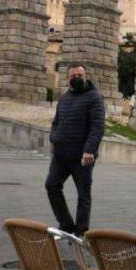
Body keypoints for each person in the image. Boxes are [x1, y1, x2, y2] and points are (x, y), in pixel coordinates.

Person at [45, 63, 105, 236]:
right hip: (61, 155)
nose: (76, 78)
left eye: (79, 75)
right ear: (68, 78)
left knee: (83, 195)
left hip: (82, 156)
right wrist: (53, 137)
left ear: (86, 76)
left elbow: (97, 127)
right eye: (73, 76)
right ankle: (66, 225)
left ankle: (81, 231)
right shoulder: (64, 98)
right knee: (51, 185)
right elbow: (56, 121)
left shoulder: (94, 98)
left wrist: (89, 150)